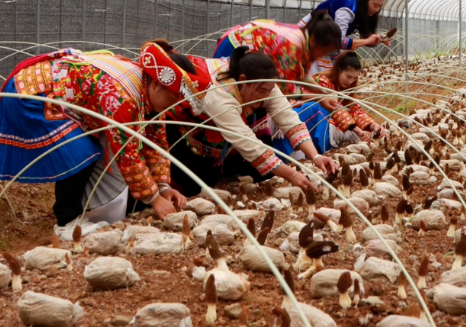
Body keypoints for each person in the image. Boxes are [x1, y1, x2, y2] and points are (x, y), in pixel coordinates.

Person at [0, 41, 202, 239]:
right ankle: (66, 221)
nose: (173, 107)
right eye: (173, 99)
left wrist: (164, 187)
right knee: (79, 150)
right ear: (156, 85)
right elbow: (127, 154)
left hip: (63, 97)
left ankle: (82, 210)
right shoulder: (123, 97)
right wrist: (154, 199)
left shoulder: (148, 95)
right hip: (32, 93)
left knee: (89, 147)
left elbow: (156, 143)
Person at [164, 47, 338, 197]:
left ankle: (231, 170)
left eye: (268, 91)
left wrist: (315, 156)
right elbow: (248, 143)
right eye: (261, 91)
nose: (265, 95)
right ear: (242, 81)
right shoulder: (220, 96)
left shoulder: (265, 84)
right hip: (185, 125)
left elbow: (288, 118)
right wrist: (292, 175)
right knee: (193, 184)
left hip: (224, 125)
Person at [273, 51, 388, 158]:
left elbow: (354, 109)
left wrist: (373, 125)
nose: (350, 82)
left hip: (330, 125)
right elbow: (335, 109)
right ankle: (321, 152)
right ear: (338, 70)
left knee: (368, 133)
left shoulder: (347, 89)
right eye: (348, 77)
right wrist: (358, 130)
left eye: (354, 78)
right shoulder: (321, 81)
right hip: (306, 122)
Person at [212, 12, 342, 106]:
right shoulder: (292, 47)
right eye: (324, 51)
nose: (322, 56)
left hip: (244, 50)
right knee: (230, 97)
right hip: (234, 48)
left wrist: (325, 92)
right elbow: (282, 89)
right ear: (314, 40)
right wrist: (319, 98)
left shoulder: (304, 41)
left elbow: (302, 75)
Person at [298, 0, 390, 74]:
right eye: (375, 5)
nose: (377, 9)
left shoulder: (362, 11)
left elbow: (358, 40)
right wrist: (367, 41)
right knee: (312, 73)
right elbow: (339, 41)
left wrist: (377, 39)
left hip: (327, 40)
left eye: (380, 6)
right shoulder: (347, 9)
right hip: (311, 33)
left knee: (332, 73)